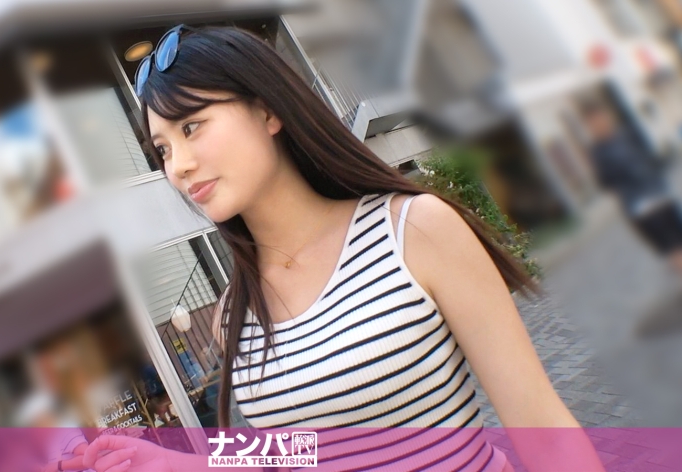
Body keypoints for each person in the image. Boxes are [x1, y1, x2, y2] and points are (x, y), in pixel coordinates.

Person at [83, 25, 603, 472]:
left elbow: (544, 431)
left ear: (267, 111)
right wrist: (175, 463)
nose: (178, 166)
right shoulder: (233, 316)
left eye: (191, 126)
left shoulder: (413, 231)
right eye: (163, 150)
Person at [580, 99, 682, 276]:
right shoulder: (598, 153)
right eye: (594, 122)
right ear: (590, 126)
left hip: (660, 195)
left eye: (602, 117)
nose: (601, 123)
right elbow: (606, 182)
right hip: (641, 208)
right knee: (670, 246)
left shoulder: (627, 134)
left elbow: (649, 158)